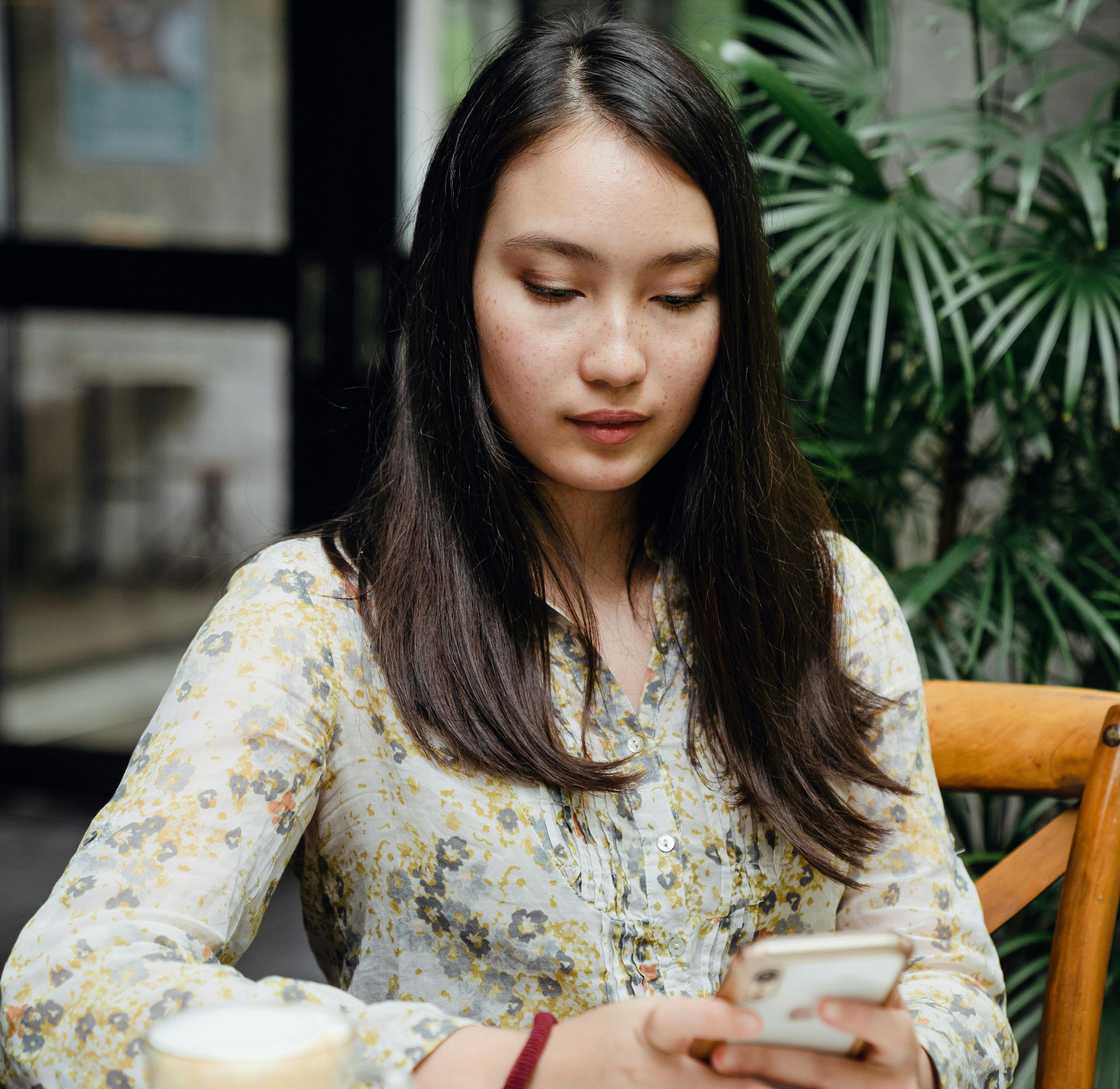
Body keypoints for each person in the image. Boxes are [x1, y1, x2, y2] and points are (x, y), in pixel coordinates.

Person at [1, 11, 1016, 1089]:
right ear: (455, 290)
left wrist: (913, 1062)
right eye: (553, 289)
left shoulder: (822, 601)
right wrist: (525, 1064)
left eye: (678, 296)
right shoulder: (321, 622)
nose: (619, 357)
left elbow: (957, 993)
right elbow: (64, 993)